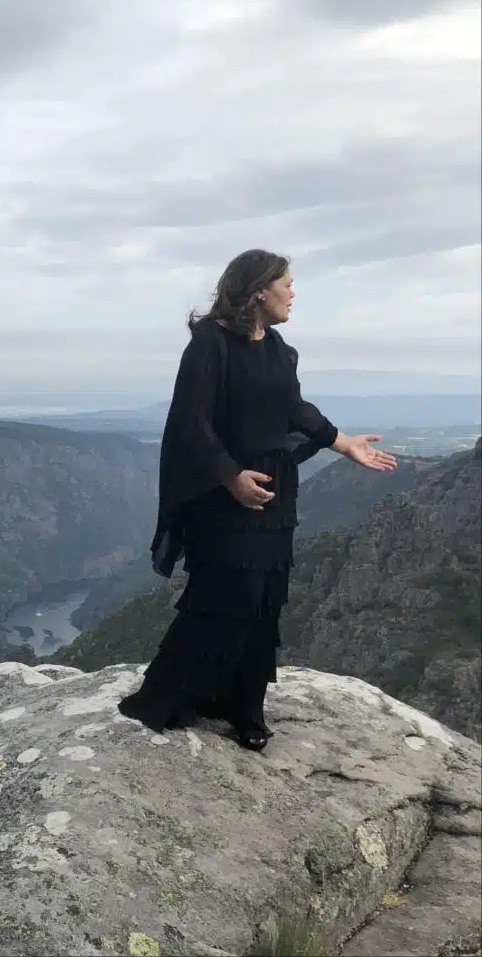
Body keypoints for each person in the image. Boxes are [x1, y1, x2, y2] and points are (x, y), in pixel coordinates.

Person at [118, 249, 398, 750]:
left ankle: (243, 706)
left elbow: (294, 409)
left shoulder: (278, 348)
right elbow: (192, 422)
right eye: (286, 284)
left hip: (273, 492)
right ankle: (169, 697)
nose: (293, 293)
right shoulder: (210, 344)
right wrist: (230, 477)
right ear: (258, 291)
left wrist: (343, 443)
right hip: (223, 497)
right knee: (224, 594)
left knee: (265, 598)